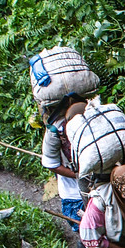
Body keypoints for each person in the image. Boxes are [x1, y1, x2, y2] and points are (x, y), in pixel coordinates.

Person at [41, 97, 88, 230]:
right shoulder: (56, 131)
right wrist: (78, 175)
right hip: (74, 192)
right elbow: (51, 163)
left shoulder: (95, 124)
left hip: (99, 187)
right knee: (86, 228)